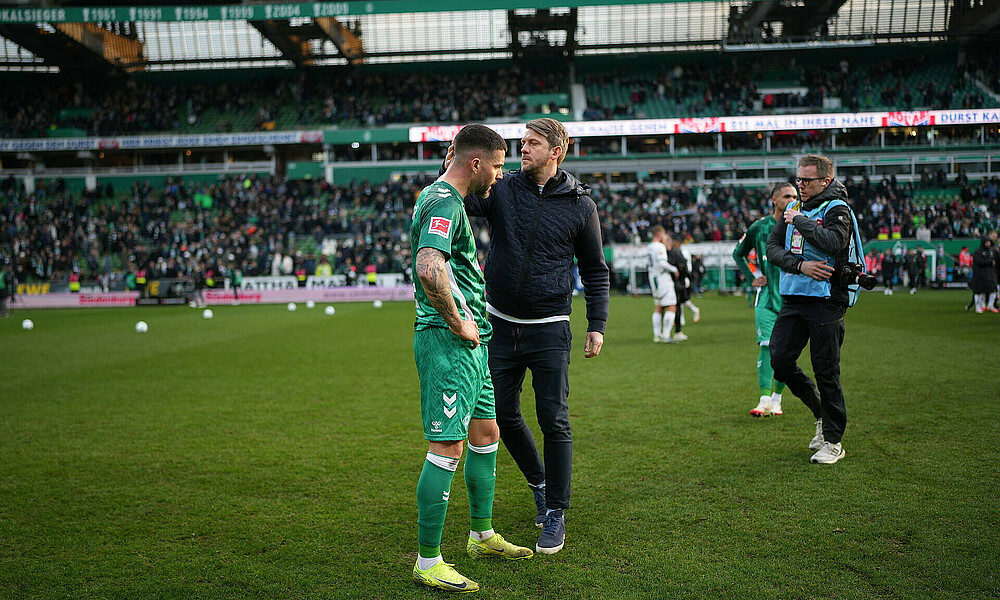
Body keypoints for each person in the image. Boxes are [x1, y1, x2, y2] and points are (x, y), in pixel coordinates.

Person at [447, 118, 610, 554]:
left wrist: (597, 324)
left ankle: (555, 511)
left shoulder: (581, 205)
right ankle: (539, 483)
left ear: (556, 151)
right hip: (498, 324)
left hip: (550, 328)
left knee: (553, 419)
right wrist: (454, 164)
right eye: (522, 143)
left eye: (532, 144)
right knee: (499, 414)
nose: (523, 150)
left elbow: (595, 270)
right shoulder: (501, 188)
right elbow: (460, 194)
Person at [410, 124, 532, 594]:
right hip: (448, 341)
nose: (502, 175)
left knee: (487, 432)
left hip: (473, 343)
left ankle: (481, 535)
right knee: (447, 447)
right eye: (499, 166)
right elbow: (428, 265)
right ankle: (428, 560)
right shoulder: (442, 201)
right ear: (476, 163)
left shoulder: (447, 199)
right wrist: (460, 323)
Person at [766, 155, 860, 465]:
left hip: (826, 301)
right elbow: (772, 249)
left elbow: (834, 243)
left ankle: (833, 440)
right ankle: (819, 412)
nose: (800, 185)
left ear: (826, 181)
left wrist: (802, 222)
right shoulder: (793, 210)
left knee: (826, 371)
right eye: (798, 180)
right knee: (779, 360)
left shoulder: (838, 210)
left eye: (806, 181)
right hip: (794, 298)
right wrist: (801, 265)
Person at [733, 182, 797, 417]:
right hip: (767, 297)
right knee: (766, 345)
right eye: (787, 196)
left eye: (794, 196)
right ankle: (764, 399)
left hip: (793, 298)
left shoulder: (801, 226)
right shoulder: (759, 228)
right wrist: (753, 275)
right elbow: (738, 253)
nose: (791, 199)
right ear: (774, 200)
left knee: (786, 352)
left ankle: (777, 400)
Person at [647, 226, 679, 343]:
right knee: (671, 306)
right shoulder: (659, 246)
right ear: (660, 233)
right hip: (662, 279)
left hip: (653, 279)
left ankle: (657, 335)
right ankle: (665, 335)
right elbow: (662, 263)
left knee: (658, 307)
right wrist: (674, 269)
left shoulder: (649, 247)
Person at [666, 234, 691, 341]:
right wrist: (683, 276)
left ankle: (670, 331)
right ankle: (675, 331)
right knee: (676, 306)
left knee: (674, 306)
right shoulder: (675, 252)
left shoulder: (672, 253)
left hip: (672, 283)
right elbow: (683, 266)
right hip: (677, 283)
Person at [971, 237, 999, 313]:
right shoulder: (977, 252)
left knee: (993, 290)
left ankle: (990, 305)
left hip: (990, 274)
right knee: (979, 291)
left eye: (989, 242)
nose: (988, 244)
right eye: (987, 242)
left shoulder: (992, 251)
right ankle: (978, 307)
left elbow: (996, 260)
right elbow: (978, 262)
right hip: (980, 274)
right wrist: (989, 262)